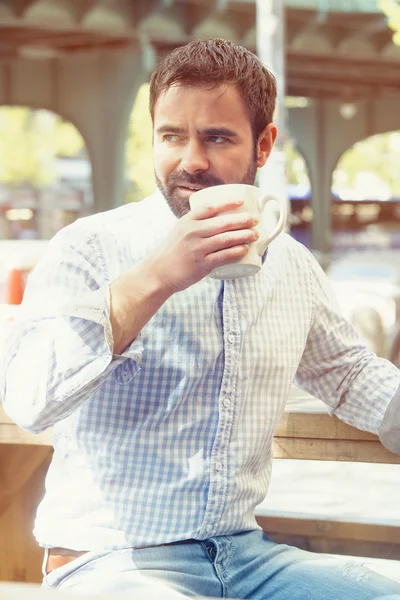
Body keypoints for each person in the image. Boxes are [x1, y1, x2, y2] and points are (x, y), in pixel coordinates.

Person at [1, 39, 400, 600]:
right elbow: (28, 400)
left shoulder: (289, 263)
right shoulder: (90, 247)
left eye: (217, 137)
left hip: (246, 556)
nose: (190, 159)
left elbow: (350, 373)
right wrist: (157, 277)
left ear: (263, 146)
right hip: (111, 559)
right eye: (172, 136)